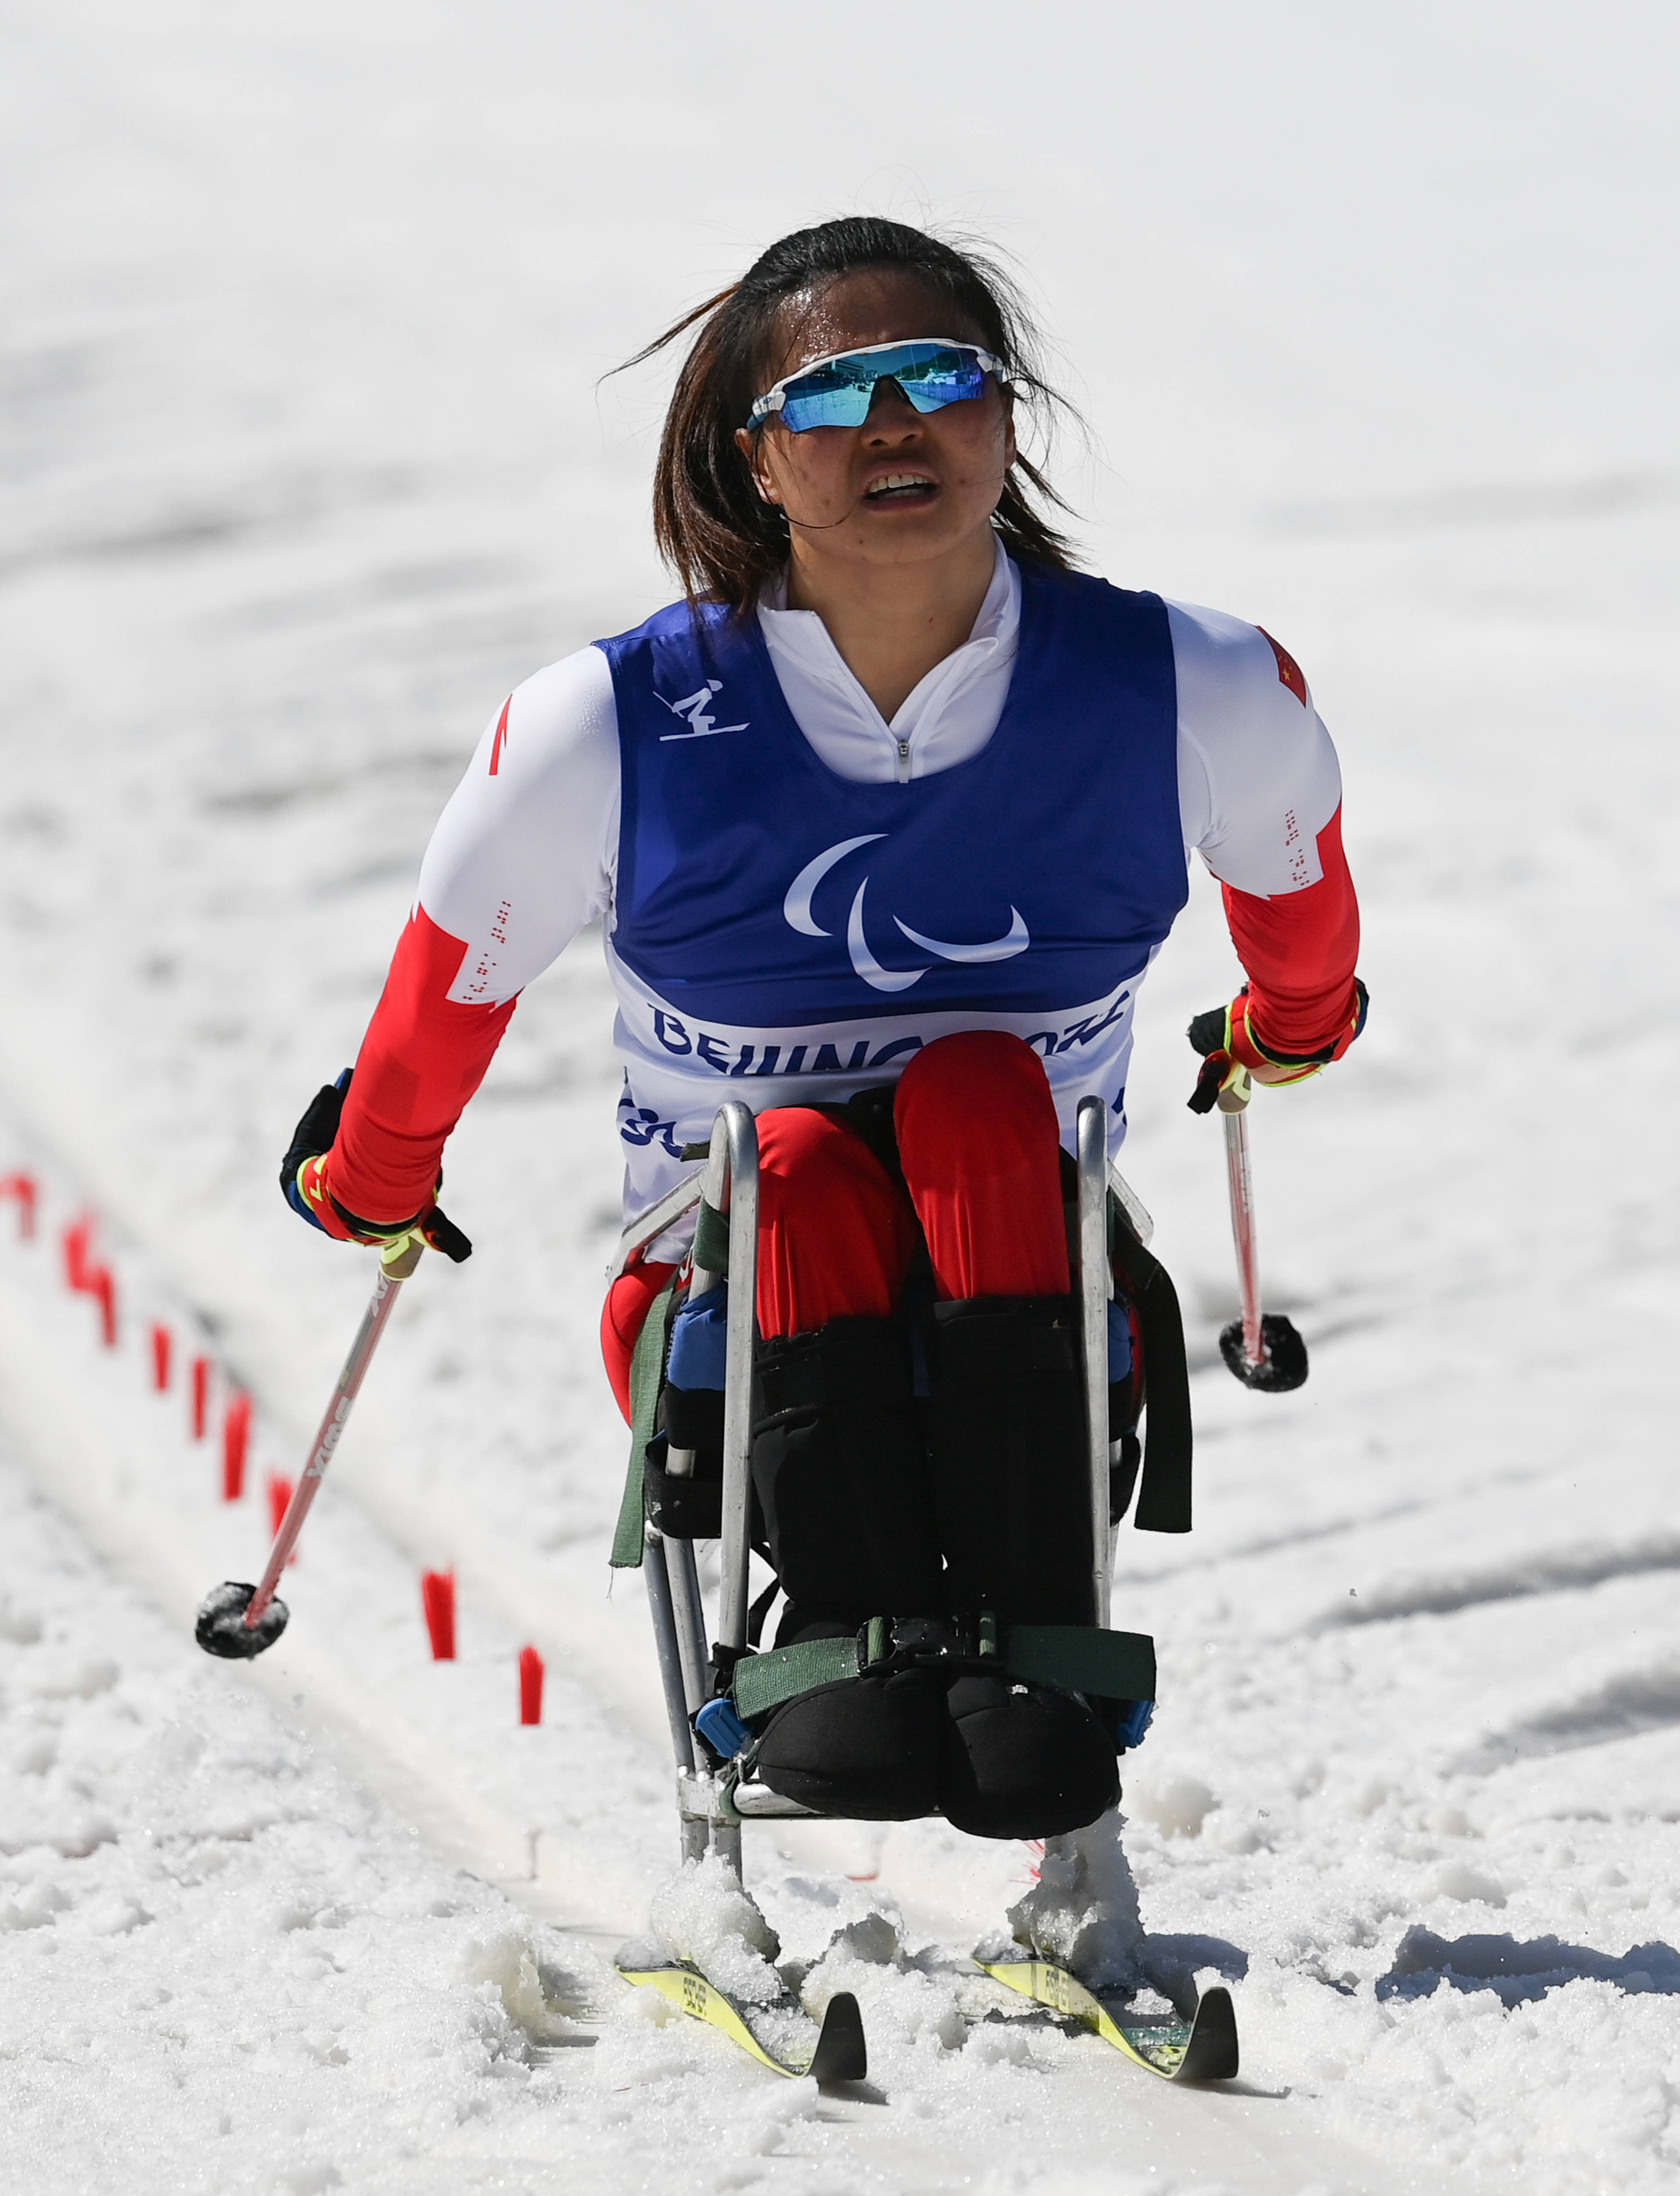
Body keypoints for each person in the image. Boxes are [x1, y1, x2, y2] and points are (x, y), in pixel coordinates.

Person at [279, 217, 1365, 1846]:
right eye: (830, 396)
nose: (892, 425)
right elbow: (444, 995)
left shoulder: (1190, 682)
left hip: (1033, 1258)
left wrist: (1282, 1032)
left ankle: (1030, 1671)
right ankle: (844, 1638)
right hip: (726, 1276)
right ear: (755, 465)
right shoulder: (609, 723)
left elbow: (1304, 932)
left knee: (985, 1099)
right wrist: (371, 1178)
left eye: (940, 376)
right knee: (793, 1158)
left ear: (1007, 420)